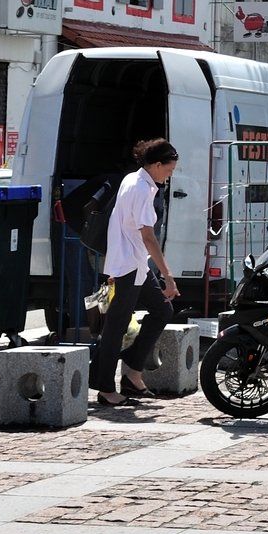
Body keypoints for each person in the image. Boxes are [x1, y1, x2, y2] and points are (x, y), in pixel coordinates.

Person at [91, 139, 182, 406]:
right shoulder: (142, 189)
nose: (170, 174)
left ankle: (132, 370)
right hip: (129, 264)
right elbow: (148, 237)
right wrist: (168, 275)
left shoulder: (134, 179)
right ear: (156, 165)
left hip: (132, 263)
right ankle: (105, 388)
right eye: (169, 169)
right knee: (115, 326)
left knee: (163, 310)